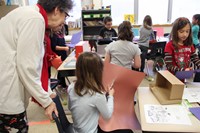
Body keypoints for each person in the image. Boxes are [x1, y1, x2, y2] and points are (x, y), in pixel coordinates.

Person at [0, 0, 73, 132]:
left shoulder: (27, 14)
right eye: (66, 15)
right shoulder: (35, 19)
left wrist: (47, 93)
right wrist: (46, 102)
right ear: (57, 10)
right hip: (7, 97)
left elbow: (33, 64)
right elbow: (27, 68)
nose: (64, 22)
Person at [68, 52, 114, 133]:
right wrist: (110, 96)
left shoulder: (71, 87)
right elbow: (107, 116)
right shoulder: (97, 94)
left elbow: (70, 107)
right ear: (98, 72)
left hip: (76, 130)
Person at [50, 25, 69, 90]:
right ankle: (62, 85)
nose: (60, 28)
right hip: (58, 55)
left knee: (60, 71)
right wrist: (64, 48)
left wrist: (66, 45)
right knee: (61, 70)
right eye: (59, 26)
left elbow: (62, 43)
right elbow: (54, 47)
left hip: (63, 54)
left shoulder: (60, 34)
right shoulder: (53, 36)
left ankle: (61, 83)